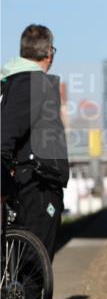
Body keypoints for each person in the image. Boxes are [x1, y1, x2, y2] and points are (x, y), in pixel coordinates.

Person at [0, 24, 69, 257]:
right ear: (49, 52)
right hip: (36, 182)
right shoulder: (31, 82)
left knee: (21, 258)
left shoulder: (10, 81)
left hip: (23, 178)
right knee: (33, 263)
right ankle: (26, 296)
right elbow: (7, 133)